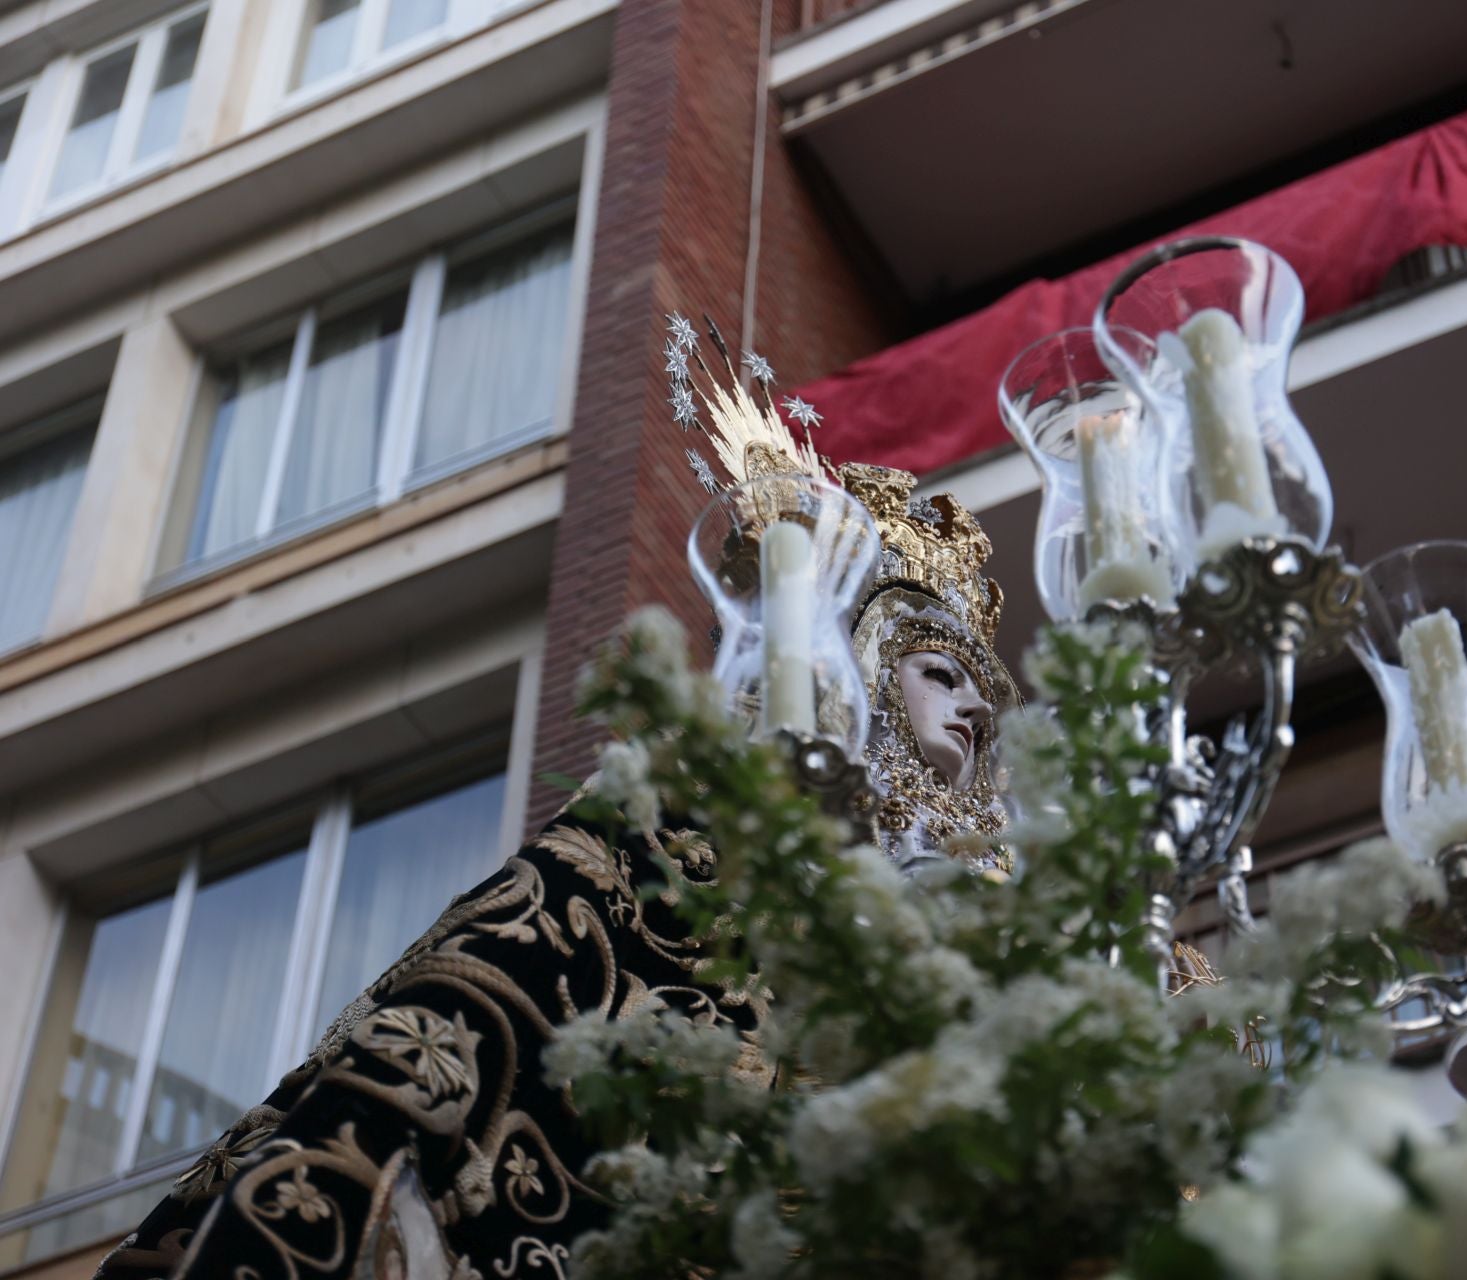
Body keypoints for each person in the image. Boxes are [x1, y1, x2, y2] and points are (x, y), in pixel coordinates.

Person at [94, 358, 1017, 1279]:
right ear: (857, 666)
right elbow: (489, 1007)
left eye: (986, 694)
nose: (975, 711)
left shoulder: (1005, 938)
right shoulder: (688, 834)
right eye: (939, 672)